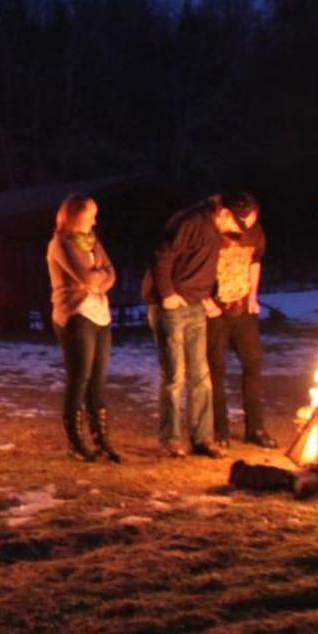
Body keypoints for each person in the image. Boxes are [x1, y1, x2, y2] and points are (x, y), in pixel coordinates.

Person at [142, 194, 248, 457]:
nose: (235, 230)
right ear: (224, 212)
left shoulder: (213, 231)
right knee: (174, 375)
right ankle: (170, 439)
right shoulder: (189, 221)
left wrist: (206, 297)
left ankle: (202, 438)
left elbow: (199, 267)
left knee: (201, 376)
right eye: (235, 223)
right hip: (172, 308)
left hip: (195, 307)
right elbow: (162, 255)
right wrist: (166, 293)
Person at [46, 194, 121, 462]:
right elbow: (86, 276)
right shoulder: (61, 244)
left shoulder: (92, 242)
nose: (95, 220)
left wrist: (97, 280)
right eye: (90, 214)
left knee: (98, 380)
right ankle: (76, 443)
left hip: (100, 314)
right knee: (80, 378)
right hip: (76, 315)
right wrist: (95, 278)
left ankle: (101, 440)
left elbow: (110, 273)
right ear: (75, 215)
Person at [206, 192, 276, 448]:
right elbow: (199, 268)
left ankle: (255, 428)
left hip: (242, 306)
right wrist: (206, 300)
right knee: (216, 368)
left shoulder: (255, 233)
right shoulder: (213, 232)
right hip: (215, 308)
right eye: (246, 218)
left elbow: (254, 261)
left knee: (254, 363)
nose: (249, 223)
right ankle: (219, 430)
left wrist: (253, 296)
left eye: (253, 217)